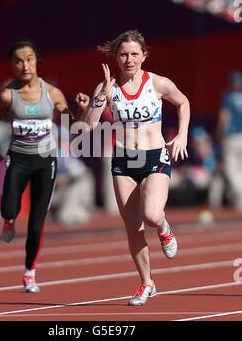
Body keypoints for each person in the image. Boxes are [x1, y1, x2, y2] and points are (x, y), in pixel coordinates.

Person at [80, 30, 190, 306]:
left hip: (154, 156)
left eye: (134, 54)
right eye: (123, 54)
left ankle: (164, 228)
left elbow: (183, 102)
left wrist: (183, 135)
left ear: (144, 56)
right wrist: (99, 98)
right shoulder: (108, 87)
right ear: (116, 57)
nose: (129, 59)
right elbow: (87, 127)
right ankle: (147, 283)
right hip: (124, 161)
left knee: (152, 215)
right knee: (133, 228)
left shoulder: (158, 83)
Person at [0, 40, 89, 293]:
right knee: (9, 208)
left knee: (36, 222)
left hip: (46, 162)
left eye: (29, 59)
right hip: (18, 160)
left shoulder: (52, 93)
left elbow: (73, 126)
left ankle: (29, 272)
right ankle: (9, 220)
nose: (25, 65)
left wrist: (83, 110)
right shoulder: (7, 95)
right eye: (19, 61)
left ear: (37, 61)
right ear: (12, 65)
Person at [216, 71, 242, 210]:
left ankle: (240, 197)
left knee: (231, 171)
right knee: (240, 170)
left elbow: (224, 117)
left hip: (231, 138)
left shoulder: (228, 96)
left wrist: (219, 133)